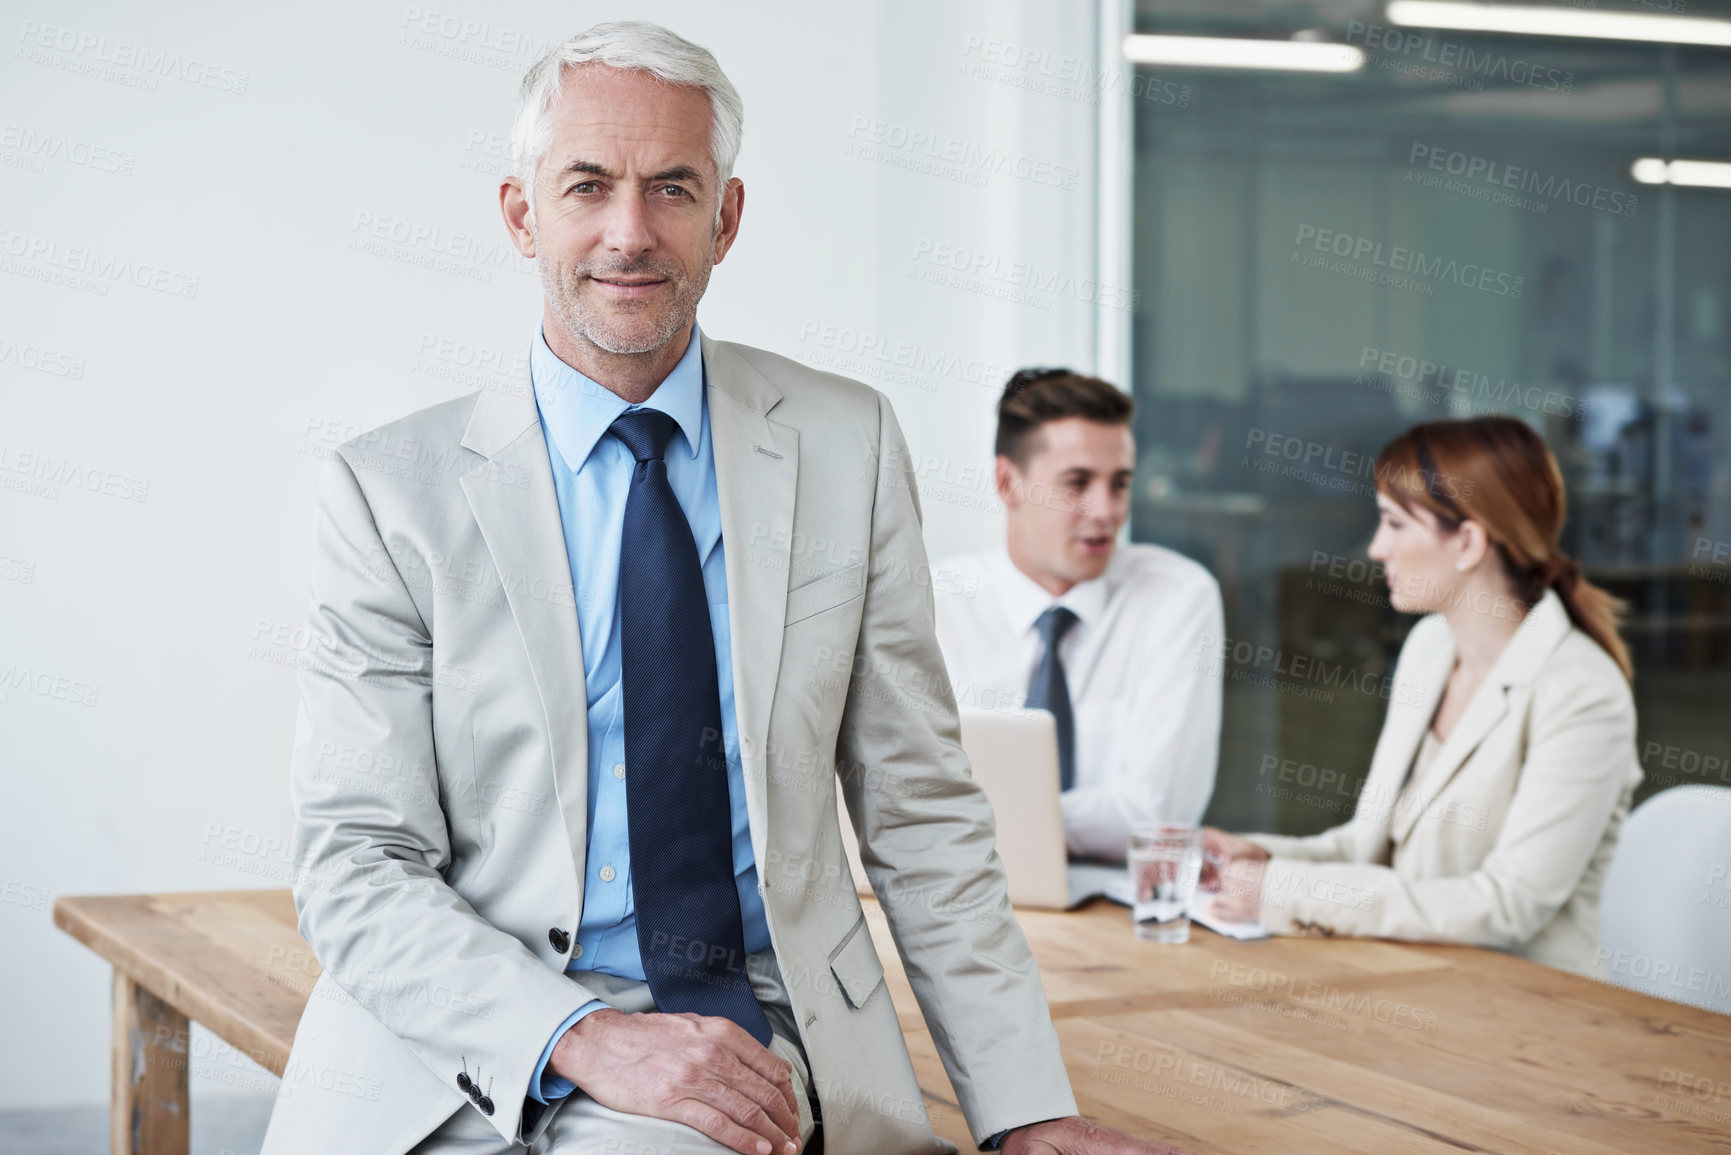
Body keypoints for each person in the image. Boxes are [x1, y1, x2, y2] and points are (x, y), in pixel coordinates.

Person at [259, 22, 1186, 1155]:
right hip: (448, 1039)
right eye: (588, 186)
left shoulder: (845, 443)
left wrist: (1024, 1108)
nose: (630, 232)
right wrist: (579, 1031)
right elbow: (356, 858)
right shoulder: (386, 491)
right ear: (522, 214)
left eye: (673, 188)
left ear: (727, 219)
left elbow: (923, 811)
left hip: (736, 1026)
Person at [1203, 417, 1641, 978]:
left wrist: (1284, 891)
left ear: (1467, 543)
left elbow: (1508, 905)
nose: (1376, 548)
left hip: (1524, 1014)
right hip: (1407, 981)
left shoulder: (1583, 694)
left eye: (1394, 524)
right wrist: (1263, 859)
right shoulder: (1430, 648)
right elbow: (1372, 849)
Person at [933, 369, 1224, 861]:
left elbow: (1159, 815)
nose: (1106, 511)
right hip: (961, 898)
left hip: (1112, 908)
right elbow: (896, 798)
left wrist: (974, 820)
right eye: (1078, 483)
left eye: (1120, 483)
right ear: (1008, 482)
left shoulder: (1176, 596)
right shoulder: (935, 603)